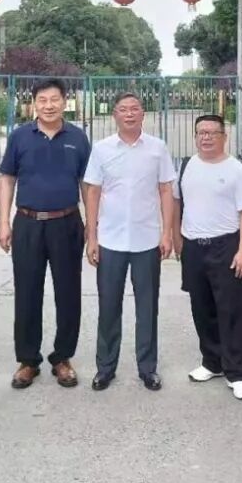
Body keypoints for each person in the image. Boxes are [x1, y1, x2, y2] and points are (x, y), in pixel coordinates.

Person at [0, 78, 91, 390]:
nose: (49, 105)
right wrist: (3, 222)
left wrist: (92, 226)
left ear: (65, 101)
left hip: (67, 223)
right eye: (42, 100)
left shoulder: (78, 138)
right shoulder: (20, 137)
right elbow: (7, 178)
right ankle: (28, 360)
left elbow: (87, 184)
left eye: (54, 99)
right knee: (27, 293)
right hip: (28, 223)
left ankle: (62, 358)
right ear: (34, 103)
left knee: (68, 293)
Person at [83, 91, 176, 391]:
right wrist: (92, 236)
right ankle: (105, 368)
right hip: (110, 240)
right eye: (123, 109)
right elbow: (93, 192)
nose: (129, 114)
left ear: (143, 114)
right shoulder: (102, 149)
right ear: (115, 115)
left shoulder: (157, 148)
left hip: (147, 240)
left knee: (147, 307)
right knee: (108, 306)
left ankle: (147, 368)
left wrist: (166, 233)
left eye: (135, 109)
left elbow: (166, 190)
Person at [174, 115, 242, 401]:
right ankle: (212, 362)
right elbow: (176, 203)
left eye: (212, 132)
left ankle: (237, 372)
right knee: (202, 307)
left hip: (225, 246)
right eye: (201, 132)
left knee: (230, 310)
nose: (206, 137)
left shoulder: (236, 170)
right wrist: (176, 238)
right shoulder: (186, 166)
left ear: (224, 136)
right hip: (193, 246)